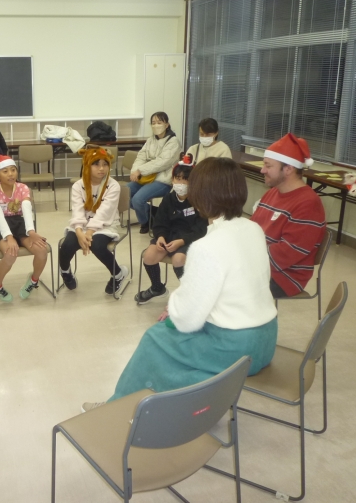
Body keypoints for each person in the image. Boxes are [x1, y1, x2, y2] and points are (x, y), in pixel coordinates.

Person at [83, 158, 278, 409]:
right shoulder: (254, 229)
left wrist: (176, 305)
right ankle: (187, 403)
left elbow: (187, 320)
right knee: (175, 339)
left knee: (156, 338)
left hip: (234, 348)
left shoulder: (206, 247)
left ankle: (117, 406)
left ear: (201, 196)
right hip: (265, 341)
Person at [251, 133, 326, 298]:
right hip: (261, 265)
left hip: (283, 277)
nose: (262, 170)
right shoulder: (273, 193)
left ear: (288, 169)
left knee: (221, 285)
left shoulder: (308, 203)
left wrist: (245, 260)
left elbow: (287, 253)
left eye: (268, 166)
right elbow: (251, 229)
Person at [134, 153, 208, 304]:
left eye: (185, 179)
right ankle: (157, 288)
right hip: (170, 236)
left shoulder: (199, 200)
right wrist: (160, 236)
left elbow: (201, 229)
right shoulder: (169, 198)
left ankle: (190, 293)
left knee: (178, 259)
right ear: (172, 179)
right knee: (149, 256)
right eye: (177, 178)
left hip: (190, 238)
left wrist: (181, 241)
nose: (181, 183)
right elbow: (160, 222)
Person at [59, 147, 129, 294]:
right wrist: (79, 231)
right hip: (82, 224)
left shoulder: (113, 185)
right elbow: (77, 210)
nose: (101, 168)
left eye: (105, 164)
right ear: (87, 165)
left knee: (97, 245)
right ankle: (65, 272)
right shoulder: (78, 185)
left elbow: (104, 212)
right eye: (96, 164)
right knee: (67, 245)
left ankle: (118, 274)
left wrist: (89, 233)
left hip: (105, 224)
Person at [0, 155, 48, 303]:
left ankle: (33, 280)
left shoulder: (22, 188)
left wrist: (31, 231)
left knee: (42, 250)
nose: (11, 174)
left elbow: (26, 207)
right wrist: (9, 236)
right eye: (5, 171)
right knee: (11, 253)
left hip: (19, 223)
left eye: (13, 170)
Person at [128, 112, 182, 234]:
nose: (156, 125)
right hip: (145, 177)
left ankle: (145, 222)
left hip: (162, 180)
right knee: (123, 193)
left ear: (167, 124)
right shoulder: (150, 140)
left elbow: (162, 162)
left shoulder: (173, 141)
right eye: (153, 123)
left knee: (137, 199)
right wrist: (134, 171)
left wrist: (140, 170)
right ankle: (154, 213)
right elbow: (141, 156)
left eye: (159, 122)